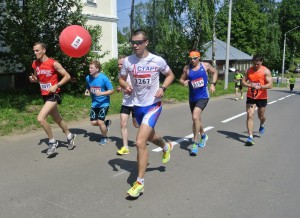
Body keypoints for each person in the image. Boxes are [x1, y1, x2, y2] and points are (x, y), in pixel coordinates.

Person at [119, 29, 175, 198]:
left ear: (146, 42)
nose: (134, 46)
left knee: (140, 141)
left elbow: (170, 75)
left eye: (138, 42)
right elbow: (121, 78)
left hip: (153, 105)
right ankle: (166, 146)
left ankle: (139, 183)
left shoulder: (156, 60)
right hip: (137, 105)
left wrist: (162, 88)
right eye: (132, 42)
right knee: (150, 136)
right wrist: (125, 86)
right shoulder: (128, 61)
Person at [29, 42, 76, 156]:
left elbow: (67, 76)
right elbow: (38, 78)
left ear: (44, 50)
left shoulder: (53, 63)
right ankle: (70, 136)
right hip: (45, 95)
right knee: (57, 119)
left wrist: (57, 85)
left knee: (40, 118)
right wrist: (33, 79)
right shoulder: (35, 64)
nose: (35, 53)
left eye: (37, 50)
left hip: (54, 94)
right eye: (34, 51)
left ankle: (52, 141)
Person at [179, 49, 218, 156]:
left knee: (195, 117)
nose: (192, 60)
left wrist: (213, 84)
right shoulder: (187, 69)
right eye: (191, 58)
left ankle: (195, 142)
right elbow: (181, 80)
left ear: (199, 57)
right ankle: (204, 136)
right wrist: (184, 82)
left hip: (204, 96)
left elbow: (215, 72)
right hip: (192, 98)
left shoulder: (205, 66)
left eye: (194, 58)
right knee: (197, 119)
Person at [242, 55, 273, 145]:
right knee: (250, 114)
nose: (256, 66)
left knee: (261, 116)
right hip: (251, 96)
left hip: (262, 97)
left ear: (261, 62)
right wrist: (251, 85)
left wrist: (261, 87)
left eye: (258, 64)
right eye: (254, 64)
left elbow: (270, 85)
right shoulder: (249, 70)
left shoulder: (266, 71)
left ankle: (262, 124)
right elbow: (243, 82)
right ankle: (250, 137)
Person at [85, 60, 114, 145]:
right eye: (89, 68)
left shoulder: (103, 78)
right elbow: (88, 87)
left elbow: (112, 91)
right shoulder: (88, 78)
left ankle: (104, 138)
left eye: (91, 68)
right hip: (95, 103)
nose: (89, 69)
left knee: (100, 122)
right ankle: (106, 124)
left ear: (97, 69)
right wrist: (87, 91)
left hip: (104, 103)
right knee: (93, 122)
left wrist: (102, 93)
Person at [116, 56, 139, 155]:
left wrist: (131, 89)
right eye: (118, 64)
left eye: (121, 64)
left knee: (136, 124)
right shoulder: (120, 75)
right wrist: (120, 88)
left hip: (135, 103)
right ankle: (125, 147)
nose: (119, 66)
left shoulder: (133, 74)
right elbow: (122, 86)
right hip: (125, 103)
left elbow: (139, 87)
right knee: (123, 123)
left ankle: (146, 132)